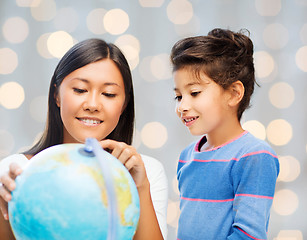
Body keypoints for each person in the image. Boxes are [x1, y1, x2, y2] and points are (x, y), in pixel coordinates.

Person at [0, 38, 168, 240]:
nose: (93, 104)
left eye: (109, 93)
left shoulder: (146, 172)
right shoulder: (16, 172)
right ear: (57, 95)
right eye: (80, 90)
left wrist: (140, 187)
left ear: (124, 105)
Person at [170, 28, 279, 240]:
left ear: (234, 93)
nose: (182, 106)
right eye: (178, 96)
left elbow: (249, 235)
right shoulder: (186, 156)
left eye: (194, 93)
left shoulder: (254, 155)